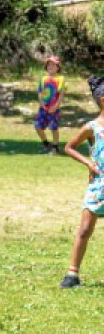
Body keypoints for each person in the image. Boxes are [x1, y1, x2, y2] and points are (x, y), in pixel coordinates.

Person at [59, 76, 104, 288]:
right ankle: (71, 275)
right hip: (98, 186)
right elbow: (69, 147)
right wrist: (89, 164)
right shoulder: (92, 127)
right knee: (85, 229)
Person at [35, 55, 64, 155]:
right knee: (37, 126)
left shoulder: (60, 79)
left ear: (58, 67)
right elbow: (40, 92)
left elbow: (61, 94)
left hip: (53, 108)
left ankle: (55, 147)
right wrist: (41, 102)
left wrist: (56, 106)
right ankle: (46, 143)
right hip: (43, 107)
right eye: (48, 65)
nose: (50, 67)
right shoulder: (43, 78)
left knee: (53, 128)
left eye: (53, 65)